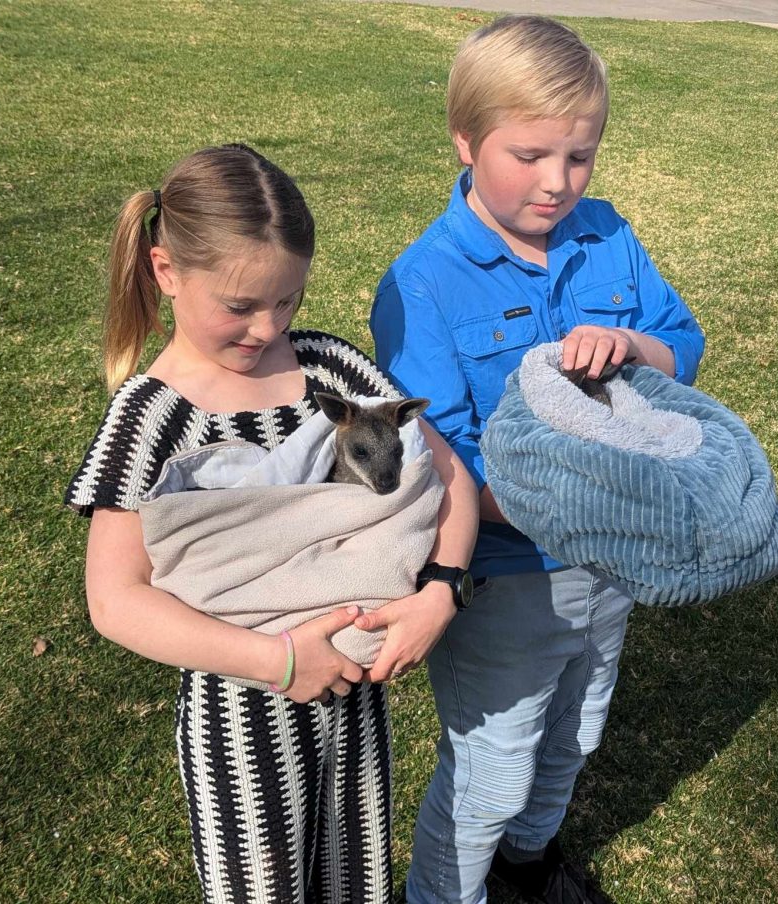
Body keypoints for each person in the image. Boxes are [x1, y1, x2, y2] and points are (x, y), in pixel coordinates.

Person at [66, 144, 478, 904]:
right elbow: (115, 598)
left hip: (353, 709)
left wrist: (441, 590)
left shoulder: (332, 371)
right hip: (241, 718)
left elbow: (442, 475)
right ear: (166, 273)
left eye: (286, 301)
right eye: (241, 305)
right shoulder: (148, 416)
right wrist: (281, 660)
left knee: (355, 880)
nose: (268, 327)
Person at [370, 16, 704, 904]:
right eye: (531, 155)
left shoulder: (607, 237)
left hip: (613, 566)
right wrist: (592, 503)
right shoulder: (423, 283)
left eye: (581, 156)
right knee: (491, 772)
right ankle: (444, 894)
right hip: (509, 581)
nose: (559, 184)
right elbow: (447, 464)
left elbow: (683, 342)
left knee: (577, 735)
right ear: (465, 139)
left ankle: (530, 865)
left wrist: (631, 344)